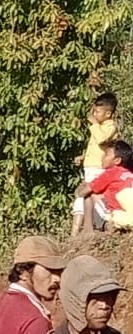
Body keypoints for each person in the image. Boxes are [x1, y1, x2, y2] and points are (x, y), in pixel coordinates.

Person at [72, 93, 119, 237]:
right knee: (83, 196)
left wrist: (94, 124)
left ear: (108, 113)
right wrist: (83, 156)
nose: (94, 114)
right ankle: (77, 231)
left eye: (98, 112)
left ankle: (102, 225)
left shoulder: (109, 127)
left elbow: (101, 140)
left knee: (92, 196)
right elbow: (95, 148)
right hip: (90, 167)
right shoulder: (99, 126)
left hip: (99, 168)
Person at [74, 140, 133, 234]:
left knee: (88, 196)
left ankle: (89, 231)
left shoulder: (110, 173)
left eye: (106, 154)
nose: (102, 157)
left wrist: (80, 189)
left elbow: (84, 192)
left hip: (115, 212)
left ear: (117, 160)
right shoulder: (129, 173)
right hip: (128, 212)